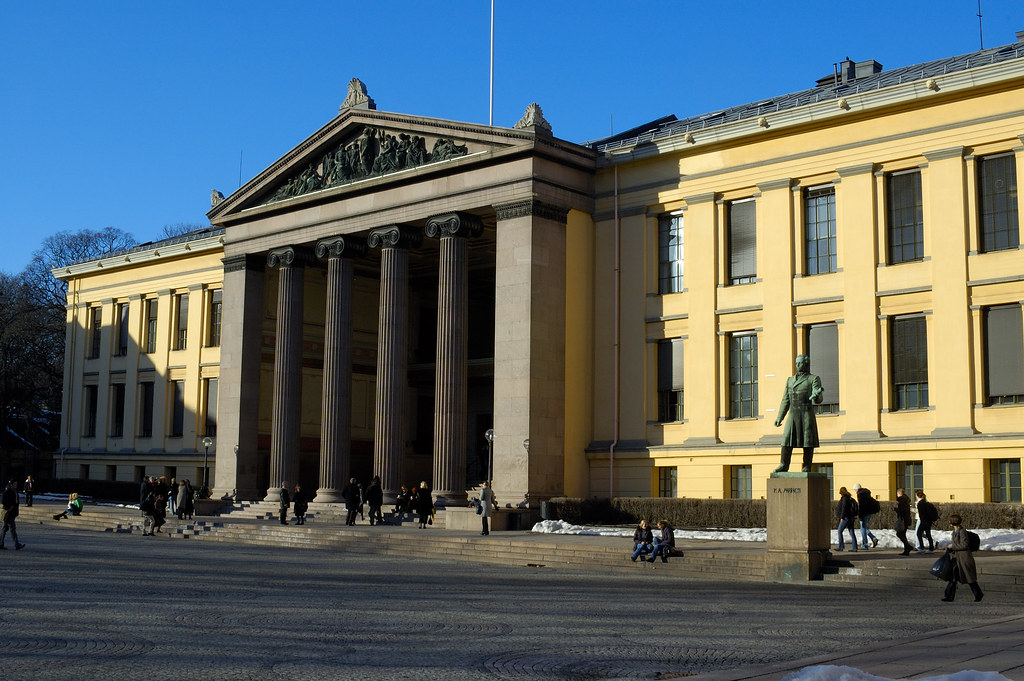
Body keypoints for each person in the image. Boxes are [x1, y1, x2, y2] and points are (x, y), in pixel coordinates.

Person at [773, 354, 824, 473]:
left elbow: (818, 399)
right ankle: (783, 465)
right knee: (786, 439)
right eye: (796, 363)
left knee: (808, 442)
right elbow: (785, 400)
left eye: (800, 363)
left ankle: (807, 466)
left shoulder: (813, 379)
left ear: (806, 364)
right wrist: (779, 417)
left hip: (806, 414)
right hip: (793, 414)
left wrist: (816, 396)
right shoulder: (790, 380)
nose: (798, 365)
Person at [942, 513, 984, 602]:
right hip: (956, 558)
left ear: (953, 522)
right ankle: (949, 596)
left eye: (950, 521)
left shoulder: (962, 532)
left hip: (964, 558)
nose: (949, 522)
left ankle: (978, 594)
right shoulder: (954, 532)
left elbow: (964, 545)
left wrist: (953, 546)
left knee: (970, 578)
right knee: (953, 578)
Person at [0, 480, 26, 550]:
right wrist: (10, 506)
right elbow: (3, 501)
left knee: (4, 528)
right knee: (12, 529)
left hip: (12, 513)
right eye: (15, 484)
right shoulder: (8, 491)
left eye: (16, 484)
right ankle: (17, 544)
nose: (16, 485)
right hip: (9, 513)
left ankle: (1, 544)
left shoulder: (14, 491)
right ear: (11, 484)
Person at [854, 483, 879, 549]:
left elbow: (862, 506)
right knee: (863, 527)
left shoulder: (860, 495)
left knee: (863, 528)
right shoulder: (866, 493)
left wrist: (860, 515)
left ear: (857, 489)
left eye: (855, 489)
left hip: (864, 513)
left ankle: (865, 545)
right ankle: (873, 538)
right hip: (869, 512)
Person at [835, 486, 858, 552]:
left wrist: (842, 517)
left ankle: (841, 547)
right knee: (852, 532)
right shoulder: (849, 498)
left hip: (846, 518)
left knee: (839, 531)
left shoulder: (844, 498)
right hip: (851, 517)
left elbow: (844, 508)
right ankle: (855, 548)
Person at [894, 488, 914, 556]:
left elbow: (902, 511)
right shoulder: (906, 500)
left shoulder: (902, 501)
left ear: (899, 494)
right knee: (903, 534)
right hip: (906, 519)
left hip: (903, 520)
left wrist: (896, 510)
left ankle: (908, 547)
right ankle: (906, 550)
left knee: (899, 534)